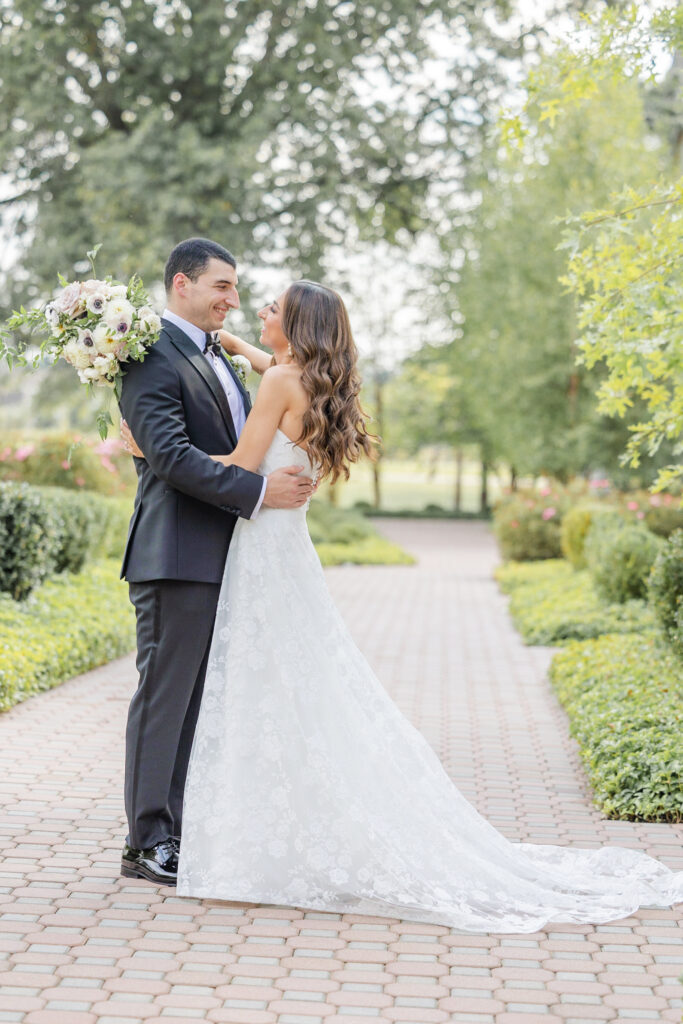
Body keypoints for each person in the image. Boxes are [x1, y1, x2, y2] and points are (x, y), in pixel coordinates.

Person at [121, 279, 683, 933]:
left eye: (272, 308)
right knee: (298, 677)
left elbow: (244, 466)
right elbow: (265, 362)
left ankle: (249, 824)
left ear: (298, 326)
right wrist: (237, 343)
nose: (259, 312)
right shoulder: (307, 379)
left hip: (260, 542)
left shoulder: (278, 383)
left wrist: (153, 455)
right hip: (286, 547)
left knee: (266, 678)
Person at [118, 239, 315, 886]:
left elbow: (225, 444)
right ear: (182, 284)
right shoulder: (148, 354)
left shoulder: (214, 354)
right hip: (175, 554)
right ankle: (147, 842)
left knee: (194, 704)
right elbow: (173, 458)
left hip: (218, 553)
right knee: (165, 699)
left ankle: (173, 831)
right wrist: (258, 492)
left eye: (235, 289)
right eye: (222, 287)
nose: (232, 300)